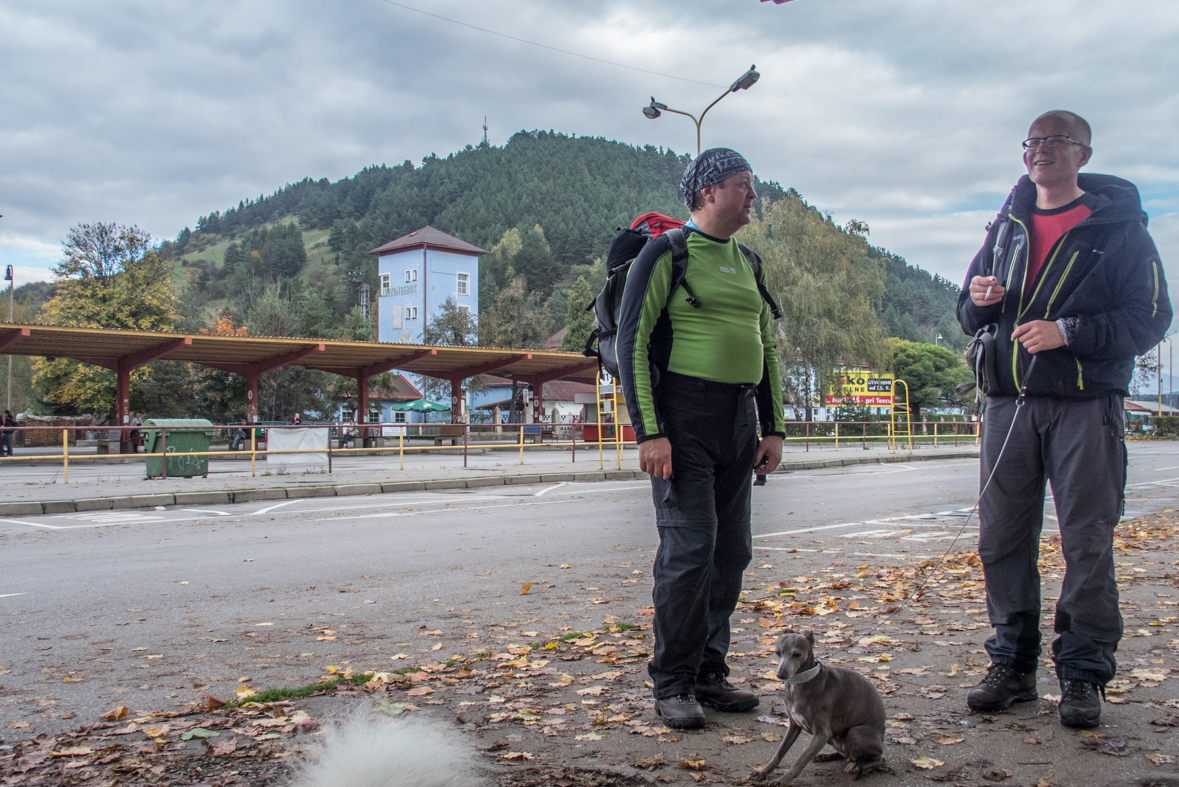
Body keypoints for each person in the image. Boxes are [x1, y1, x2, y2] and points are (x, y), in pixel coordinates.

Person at [957, 111, 1171, 728]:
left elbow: (1152, 316)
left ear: (1082, 153)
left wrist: (1068, 333)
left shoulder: (1121, 228)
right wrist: (977, 302)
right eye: (1030, 142)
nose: (1038, 152)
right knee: (1000, 540)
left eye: (1053, 141)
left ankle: (1082, 675)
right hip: (1006, 404)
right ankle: (1013, 665)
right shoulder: (1008, 226)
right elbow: (967, 307)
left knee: (1086, 543)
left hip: (1085, 407)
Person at [617, 148, 785, 729]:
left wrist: (774, 427)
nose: (752, 196)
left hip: (739, 422)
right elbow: (631, 344)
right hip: (682, 422)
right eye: (744, 185)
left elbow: (765, 347)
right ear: (709, 192)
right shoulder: (667, 253)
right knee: (689, 554)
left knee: (731, 553)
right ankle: (673, 682)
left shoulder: (750, 261)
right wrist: (650, 432)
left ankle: (710, 673)